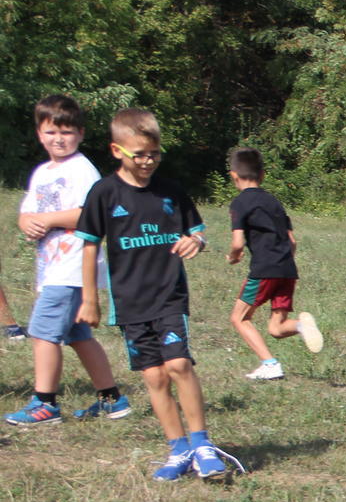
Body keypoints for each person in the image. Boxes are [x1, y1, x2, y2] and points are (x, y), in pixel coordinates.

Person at [74, 108, 241, 480]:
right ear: (116, 150)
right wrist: (90, 299)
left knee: (179, 365)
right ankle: (178, 450)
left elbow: (197, 232)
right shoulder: (104, 193)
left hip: (169, 295)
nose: (148, 161)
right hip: (129, 301)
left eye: (155, 154)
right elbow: (89, 246)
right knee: (154, 378)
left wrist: (196, 241)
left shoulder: (171, 191)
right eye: (139, 155)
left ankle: (202, 445)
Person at [7, 94, 128, 426]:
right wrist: (25, 221)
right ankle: (112, 400)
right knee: (78, 335)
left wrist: (46, 220)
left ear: (81, 134)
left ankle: (45, 403)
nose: (58, 139)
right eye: (51, 132)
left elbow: (92, 214)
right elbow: (28, 211)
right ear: (39, 133)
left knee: (43, 333)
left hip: (73, 266)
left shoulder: (82, 170)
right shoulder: (42, 172)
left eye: (66, 132)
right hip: (52, 267)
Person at [224, 147, 323, 379]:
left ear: (233, 175)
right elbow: (292, 241)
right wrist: (283, 262)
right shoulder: (274, 202)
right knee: (276, 328)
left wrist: (233, 256)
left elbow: (237, 243)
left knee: (239, 318)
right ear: (263, 175)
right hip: (287, 269)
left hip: (264, 270)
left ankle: (270, 364)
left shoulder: (240, 203)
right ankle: (301, 326)